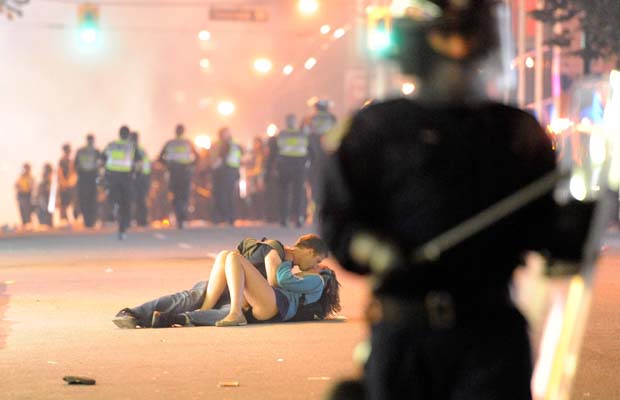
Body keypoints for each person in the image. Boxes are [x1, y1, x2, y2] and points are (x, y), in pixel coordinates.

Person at [320, 1, 558, 399]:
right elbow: (340, 225)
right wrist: (377, 249)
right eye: (448, 35)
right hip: (405, 334)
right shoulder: (376, 129)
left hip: (491, 335)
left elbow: (547, 229)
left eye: (469, 34)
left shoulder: (515, 132)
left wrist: (576, 222)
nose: (459, 56)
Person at [112, 234, 340, 328]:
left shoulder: (301, 272)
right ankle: (135, 314)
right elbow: (275, 279)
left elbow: (275, 282)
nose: (314, 266)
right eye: (317, 260)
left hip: (246, 295)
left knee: (194, 295)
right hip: (237, 289)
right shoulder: (277, 250)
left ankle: (221, 312)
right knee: (220, 261)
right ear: (309, 251)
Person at [266, 114, 309, 228]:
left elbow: (272, 154)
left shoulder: (281, 135)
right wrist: (308, 164)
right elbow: (311, 151)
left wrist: (270, 168)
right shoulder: (302, 135)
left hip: (284, 167)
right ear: (295, 122)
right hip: (299, 167)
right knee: (298, 193)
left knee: (283, 194)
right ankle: (297, 218)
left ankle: (284, 218)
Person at [101, 125, 142, 240]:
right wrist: (137, 174)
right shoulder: (132, 146)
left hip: (112, 176)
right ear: (128, 135)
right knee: (126, 203)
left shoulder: (111, 145)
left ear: (119, 134)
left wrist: (102, 174)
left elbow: (101, 159)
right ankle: (122, 230)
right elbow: (139, 163)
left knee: (112, 197)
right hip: (126, 177)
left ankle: (114, 207)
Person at [158, 124, 198, 229]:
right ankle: (183, 218)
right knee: (185, 195)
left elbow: (160, 158)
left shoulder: (170, 143)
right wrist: (191, 165)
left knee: (176, 195)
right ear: (183, 132)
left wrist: (168, 164)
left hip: (173, 171)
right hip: (185, 172)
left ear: (175, 132)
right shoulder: (188, 143)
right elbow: (197, 157)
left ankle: (179, 218)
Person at [306, 99, 337, 223]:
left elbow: (307, 139)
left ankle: (315, 215)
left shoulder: (311, 119)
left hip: (314, 160)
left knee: (314, 187)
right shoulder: (332, 119)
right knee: (329, 186)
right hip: (329, 159)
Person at [211, 127, 242, 225]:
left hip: (226, 171)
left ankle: (226, 216)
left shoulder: (226, 144)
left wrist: (212, 167)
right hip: (234, 171)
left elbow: (221, 158)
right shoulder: (235, 144)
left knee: (224, 195)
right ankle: (231, 217)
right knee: (230, 195)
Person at [74, 134, 101, 228]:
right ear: (93, 140)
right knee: (92, 200)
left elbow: (76, 165)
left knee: (84, 200)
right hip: (92, 178)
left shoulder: (80, 151)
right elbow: (100, 165)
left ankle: (87, 221)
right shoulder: (96, 151)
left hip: (83, 178)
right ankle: (91, 221)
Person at [130, 132, 151, 227]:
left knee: (132, 199)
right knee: (141, 199)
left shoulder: (132, 150)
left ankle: (136, 220)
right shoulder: (142, 149)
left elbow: (137, 164)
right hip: (144, 177)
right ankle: (142, 220)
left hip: (137, 177)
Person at [244, 136, 266, 221]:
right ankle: (254, 215)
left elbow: (259, 168)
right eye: (254, 143)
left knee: (259, 196)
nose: (255, 144)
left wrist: (251, 173)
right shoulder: (252, 153)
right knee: (252, 196)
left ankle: (259, 215)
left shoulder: (261, 154)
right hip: (252, 178)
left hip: (258, 177)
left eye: (257, 142)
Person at [57, 143, 78, 225]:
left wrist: (72, 181)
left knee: (72, 202)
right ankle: (64, 219)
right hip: (64, 185)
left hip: (71, 184)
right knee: (64, 203)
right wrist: (63, 182)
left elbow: (73, 172)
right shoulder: (62, 161)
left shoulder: (71, 161)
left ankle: (74, 218)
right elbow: (60, 172)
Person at [15, 163, 34, 229]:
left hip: (27, 195)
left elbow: (32, 187)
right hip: (21, 195)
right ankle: (24, 224)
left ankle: (28, 223)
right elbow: (16, 185)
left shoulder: (30, 177)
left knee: (28, 210)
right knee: (22, 209)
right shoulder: (21, 177)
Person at [35, 163, 54, 228]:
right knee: (44, 217)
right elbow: (40, 195)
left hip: (47, 202)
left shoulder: (50, 183)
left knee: (48, 218)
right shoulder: (43, 184)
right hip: (43, 202)